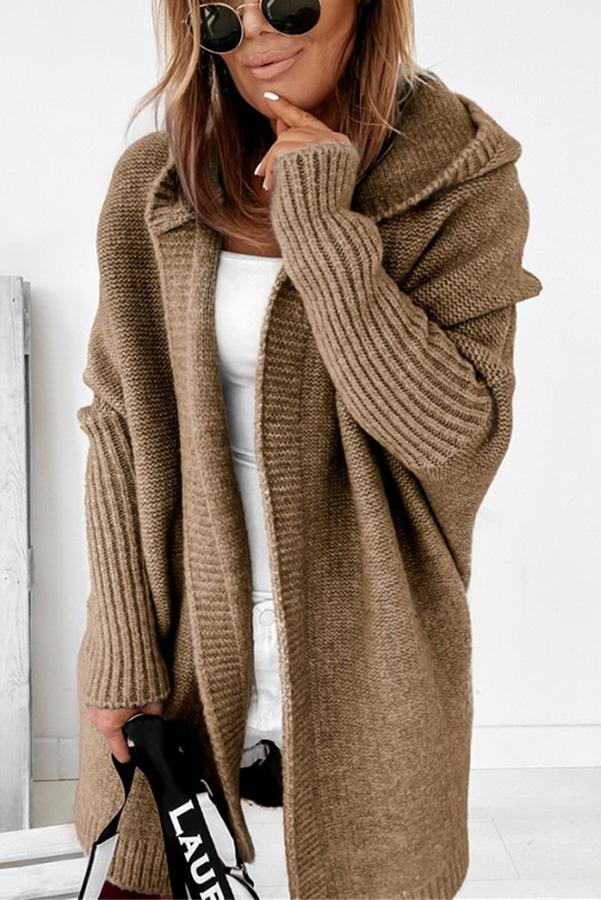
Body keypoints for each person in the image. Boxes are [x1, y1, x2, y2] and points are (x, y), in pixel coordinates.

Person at [73, 0, 543, 897]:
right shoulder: (157, 180)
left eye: (285, 4)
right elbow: (119, 422)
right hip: (181, 652)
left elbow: (452, 437)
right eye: (219, 18)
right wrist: (120, 648)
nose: (254, 32)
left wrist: (323, 227)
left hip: (374, 657)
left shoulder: (459, 177)